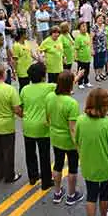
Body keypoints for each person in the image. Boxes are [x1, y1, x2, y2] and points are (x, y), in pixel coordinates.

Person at [76, 88, 108, 216]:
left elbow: (77, 140)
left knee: (91, 195)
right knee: (105, 194)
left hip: (89, 166)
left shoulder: (81, 120)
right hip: (106, 166)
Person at [46, 70, 84, 205]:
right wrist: (78, 146)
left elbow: (47, 118)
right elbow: (73, 128)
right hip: (69, 140)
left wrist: (77, 76)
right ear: (71, 85)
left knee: (57, 164)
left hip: (55, 137)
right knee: (72, 167)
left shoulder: (50, 97)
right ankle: (71, 194)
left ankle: (57, 193)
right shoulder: (71, 103)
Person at [20, 63, 56, 190]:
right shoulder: (49, 87)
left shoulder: (24, 89)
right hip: (43, 126)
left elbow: (21, 106)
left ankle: (33, 176)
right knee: (44, 155)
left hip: (28, 125)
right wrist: (78, 76)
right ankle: (46, 181)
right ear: (43, 76)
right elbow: (65, 87)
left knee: (30, 153)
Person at [75, 22, 93, 89]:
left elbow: (89, 44)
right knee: (81, 71)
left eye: (85, 26)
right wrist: (76, 57)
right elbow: (76, 48)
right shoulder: (78, 37)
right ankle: (80, 82)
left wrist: (91, 51)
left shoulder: (87, 35)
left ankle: (86, 81)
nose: (85, 27)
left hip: (87, 57)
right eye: (83, 26)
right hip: (81, 58)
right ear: (79, 28)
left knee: (87, 70)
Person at [91, 15, 108, 82]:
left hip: (103, 47)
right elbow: (91, 38)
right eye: (99, 18)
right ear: (96, 19)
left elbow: (105, 36)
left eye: (102, 19)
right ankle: (97, 75)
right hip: (96, 47)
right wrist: (91, 48)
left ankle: (100, 73)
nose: (100, 20)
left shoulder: (104, 26)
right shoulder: (94, 27)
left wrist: (106, 44)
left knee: (102, 61)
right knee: (96, 62)